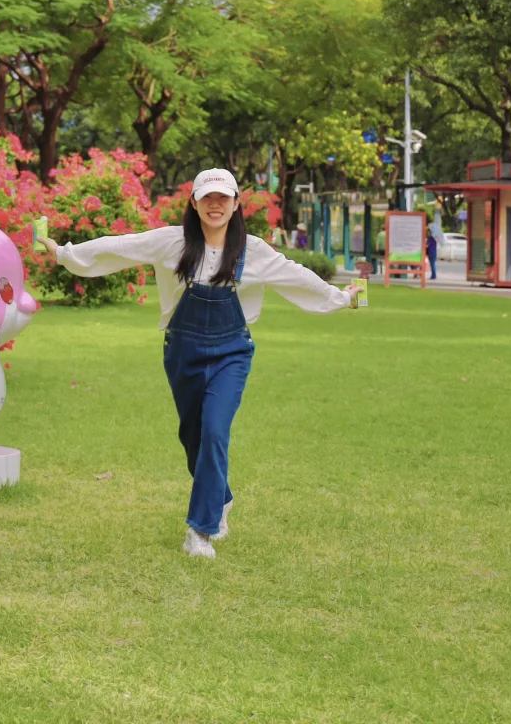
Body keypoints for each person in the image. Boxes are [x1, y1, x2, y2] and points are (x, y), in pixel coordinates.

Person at [44, 168, 362, 560]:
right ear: (193, 203)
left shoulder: (253, 249)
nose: (215, 205)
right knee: (193, 438)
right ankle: (221, 496)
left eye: (223, 198)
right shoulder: (172, 242)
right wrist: (64, 254)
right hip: (183, 351)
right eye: (207, 198)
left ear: (235, 203)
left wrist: (342, 297)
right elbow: (120, 247)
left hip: (232, 352)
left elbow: (295, 277)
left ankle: (201, 530)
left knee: (214, 431)